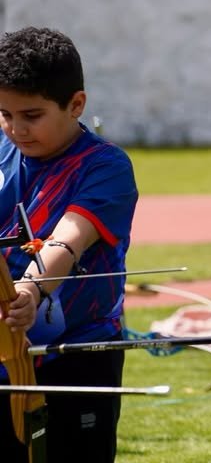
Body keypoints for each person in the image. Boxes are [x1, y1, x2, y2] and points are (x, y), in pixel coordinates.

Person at [0, 27, 138, 462]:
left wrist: (31, 288)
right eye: (4, 114)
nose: (16, 129)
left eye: (32, 115)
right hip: (7, 351)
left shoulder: (105, 166)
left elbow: (68, 239)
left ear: (76, 104)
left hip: (80, 353)